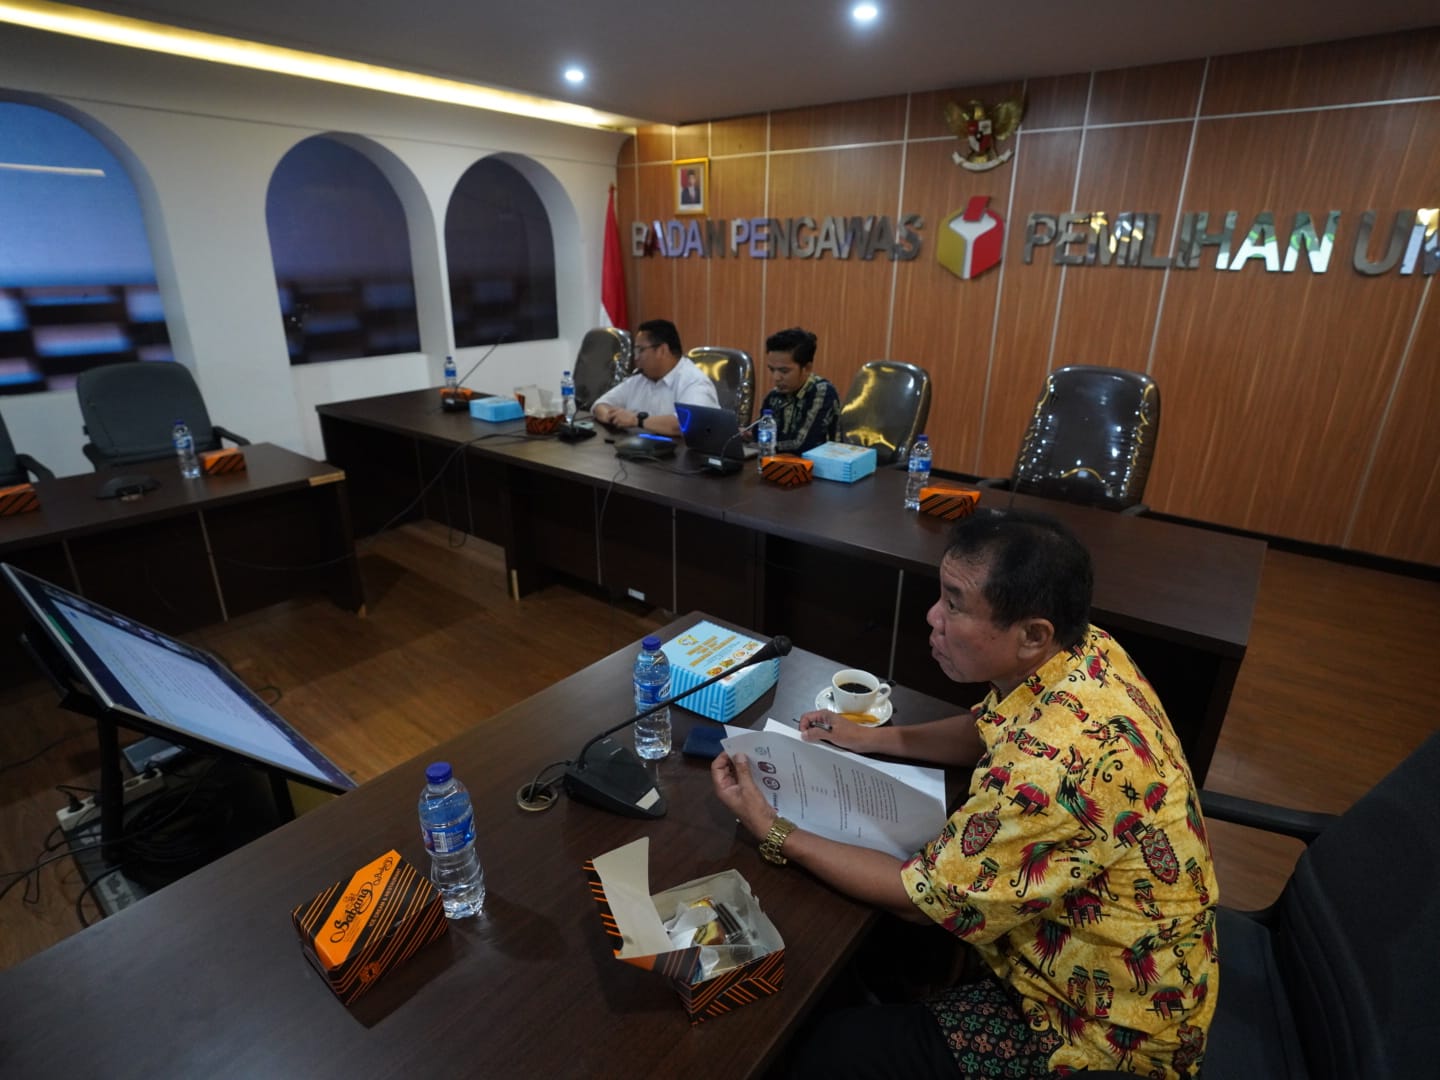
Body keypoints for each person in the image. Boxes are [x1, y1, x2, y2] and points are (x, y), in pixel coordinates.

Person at [711, 509, 1219, 1079]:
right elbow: (993, 726)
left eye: (954, 604)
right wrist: (874, 738)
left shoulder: (1048, 773)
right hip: (1107, 961)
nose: (933, 617)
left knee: (824, 1047)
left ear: (1033, 635)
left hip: (1097, 1032)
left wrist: (774, 829)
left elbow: (918, 900)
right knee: (867, 958)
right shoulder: (1085, 650)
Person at [591, 318, 718, 437]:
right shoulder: (639, 379)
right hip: (640, 449)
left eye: (640, 350)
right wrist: (612, 417)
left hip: (681, 452)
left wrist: (636, 420)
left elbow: (688, 423)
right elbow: (600, 405)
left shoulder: (694, 381)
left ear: (662, 350)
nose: (636, 358)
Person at [756, 327, 840, 454]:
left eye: (784, 371)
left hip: (820, 464)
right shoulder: (774, 395)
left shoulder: (822, 392)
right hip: (780, 461)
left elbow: (802, 444)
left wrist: (762, 445)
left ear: (807, 368)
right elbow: (759, 432)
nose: (776, 377)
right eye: (772, 370)